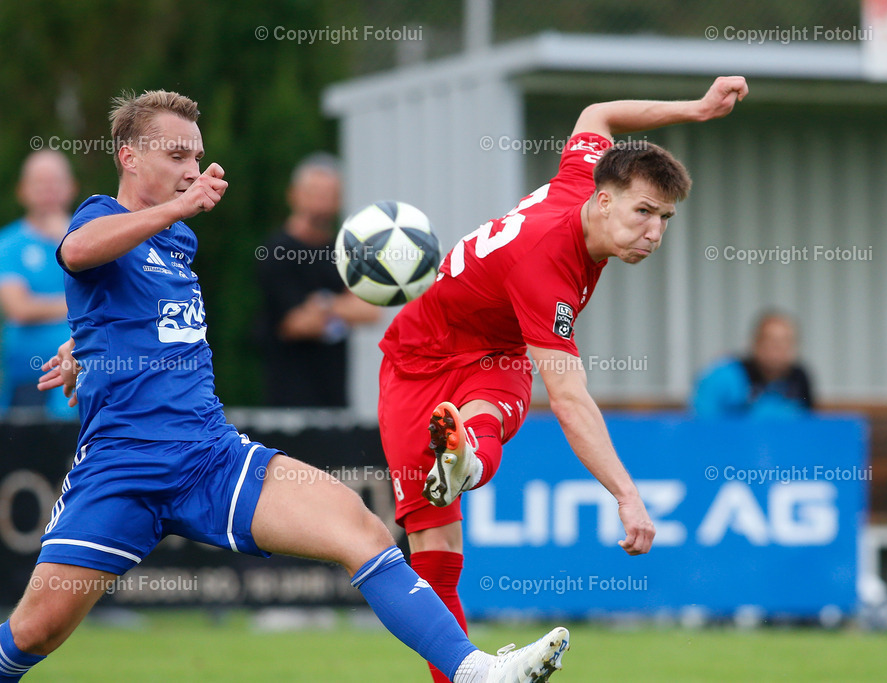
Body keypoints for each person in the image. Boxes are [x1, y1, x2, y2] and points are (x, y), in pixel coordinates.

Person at [0, 90, 568, 682]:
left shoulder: (177, 240)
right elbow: (79, 251)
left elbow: (139, 314)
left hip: (209, 457)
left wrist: (80, 348)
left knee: (360, 526)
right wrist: (173, 213)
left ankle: (477, 672)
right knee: (35, 632)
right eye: (174, 155)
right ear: (129, 157)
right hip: (124, 465)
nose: (192, 171)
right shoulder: (101, 214)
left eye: (196, 157)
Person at [378, 77, 748, 682]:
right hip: (426, 360)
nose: (654, 232)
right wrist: (627, 495)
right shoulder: (546, 267)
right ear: (605, 202)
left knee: (443, 544)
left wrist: (697, 109)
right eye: (643, 212)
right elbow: (570, 401)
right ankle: (466, 459)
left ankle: (464, 457)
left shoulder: (584, 177)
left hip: (456, 354)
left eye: (664, 218)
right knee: (436, 560)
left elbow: (597, 112)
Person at [255, 154, 380, 407]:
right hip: (289, 400)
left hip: (335, 397)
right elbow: (297, 323)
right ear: (294, 195)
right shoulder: (277, 251)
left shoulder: (344, 251)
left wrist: (324, 304)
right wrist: (344, 306)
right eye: (315, 193)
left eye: (330, 194)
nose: (322, 202)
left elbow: (370, 310)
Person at [0, 151, 76, 418]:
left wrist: (69, 239)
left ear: (71, 188)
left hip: (85, 364)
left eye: (55, 182)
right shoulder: (9, 244)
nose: (48, 191)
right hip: (28, 371)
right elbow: (19, 308)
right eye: (40, 183)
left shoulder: (89, 242)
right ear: (23, 190)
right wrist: (80, 306)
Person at [691, 310, 814, 418]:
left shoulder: (799, 378)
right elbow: (703, 422)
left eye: (786, 342)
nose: (778, 348)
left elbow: (804, 423)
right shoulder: (725, 376)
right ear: (755, 343)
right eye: (771, 341)